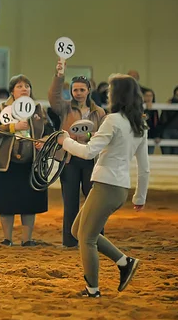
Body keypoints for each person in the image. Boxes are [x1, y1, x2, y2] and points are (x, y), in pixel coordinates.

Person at [57, 74, 149, 298]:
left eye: (110, 89)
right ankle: (124, 262)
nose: (107, 93)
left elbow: (89, 152)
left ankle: (93, 289)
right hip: (119, 189)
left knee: (86, 238)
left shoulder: (113, 119)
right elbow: (144, 167)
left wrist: (64, 140)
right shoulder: (139, 124)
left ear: (117, 94)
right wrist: (139, 197)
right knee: (77, 230)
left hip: (106, 186)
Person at [48, 59, 106, 248]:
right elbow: (53, 96)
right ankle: (70, 241)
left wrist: (89, 135)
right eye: (75, 90)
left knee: (94, 203)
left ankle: (97, 240)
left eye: (82, 89)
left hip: (92, 160)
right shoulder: (64, 107)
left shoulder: (99, 112)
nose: (78, 93)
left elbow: (104, 135)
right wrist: (59, 75)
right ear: (71, 91)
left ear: (89, 90)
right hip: (69, 159)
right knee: (70, 202)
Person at [0, 74, 53, 247]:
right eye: (19, 86)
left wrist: (45, 139)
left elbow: (50, 130)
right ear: (12, 91)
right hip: (7, 164)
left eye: (27, 86)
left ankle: (27, 239)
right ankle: (7, 238)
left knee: (29, 202)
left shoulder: (39, 109)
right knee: (6, 202)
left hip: (32, 163)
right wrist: (12, 127)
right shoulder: (3, 108)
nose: (24, 89)